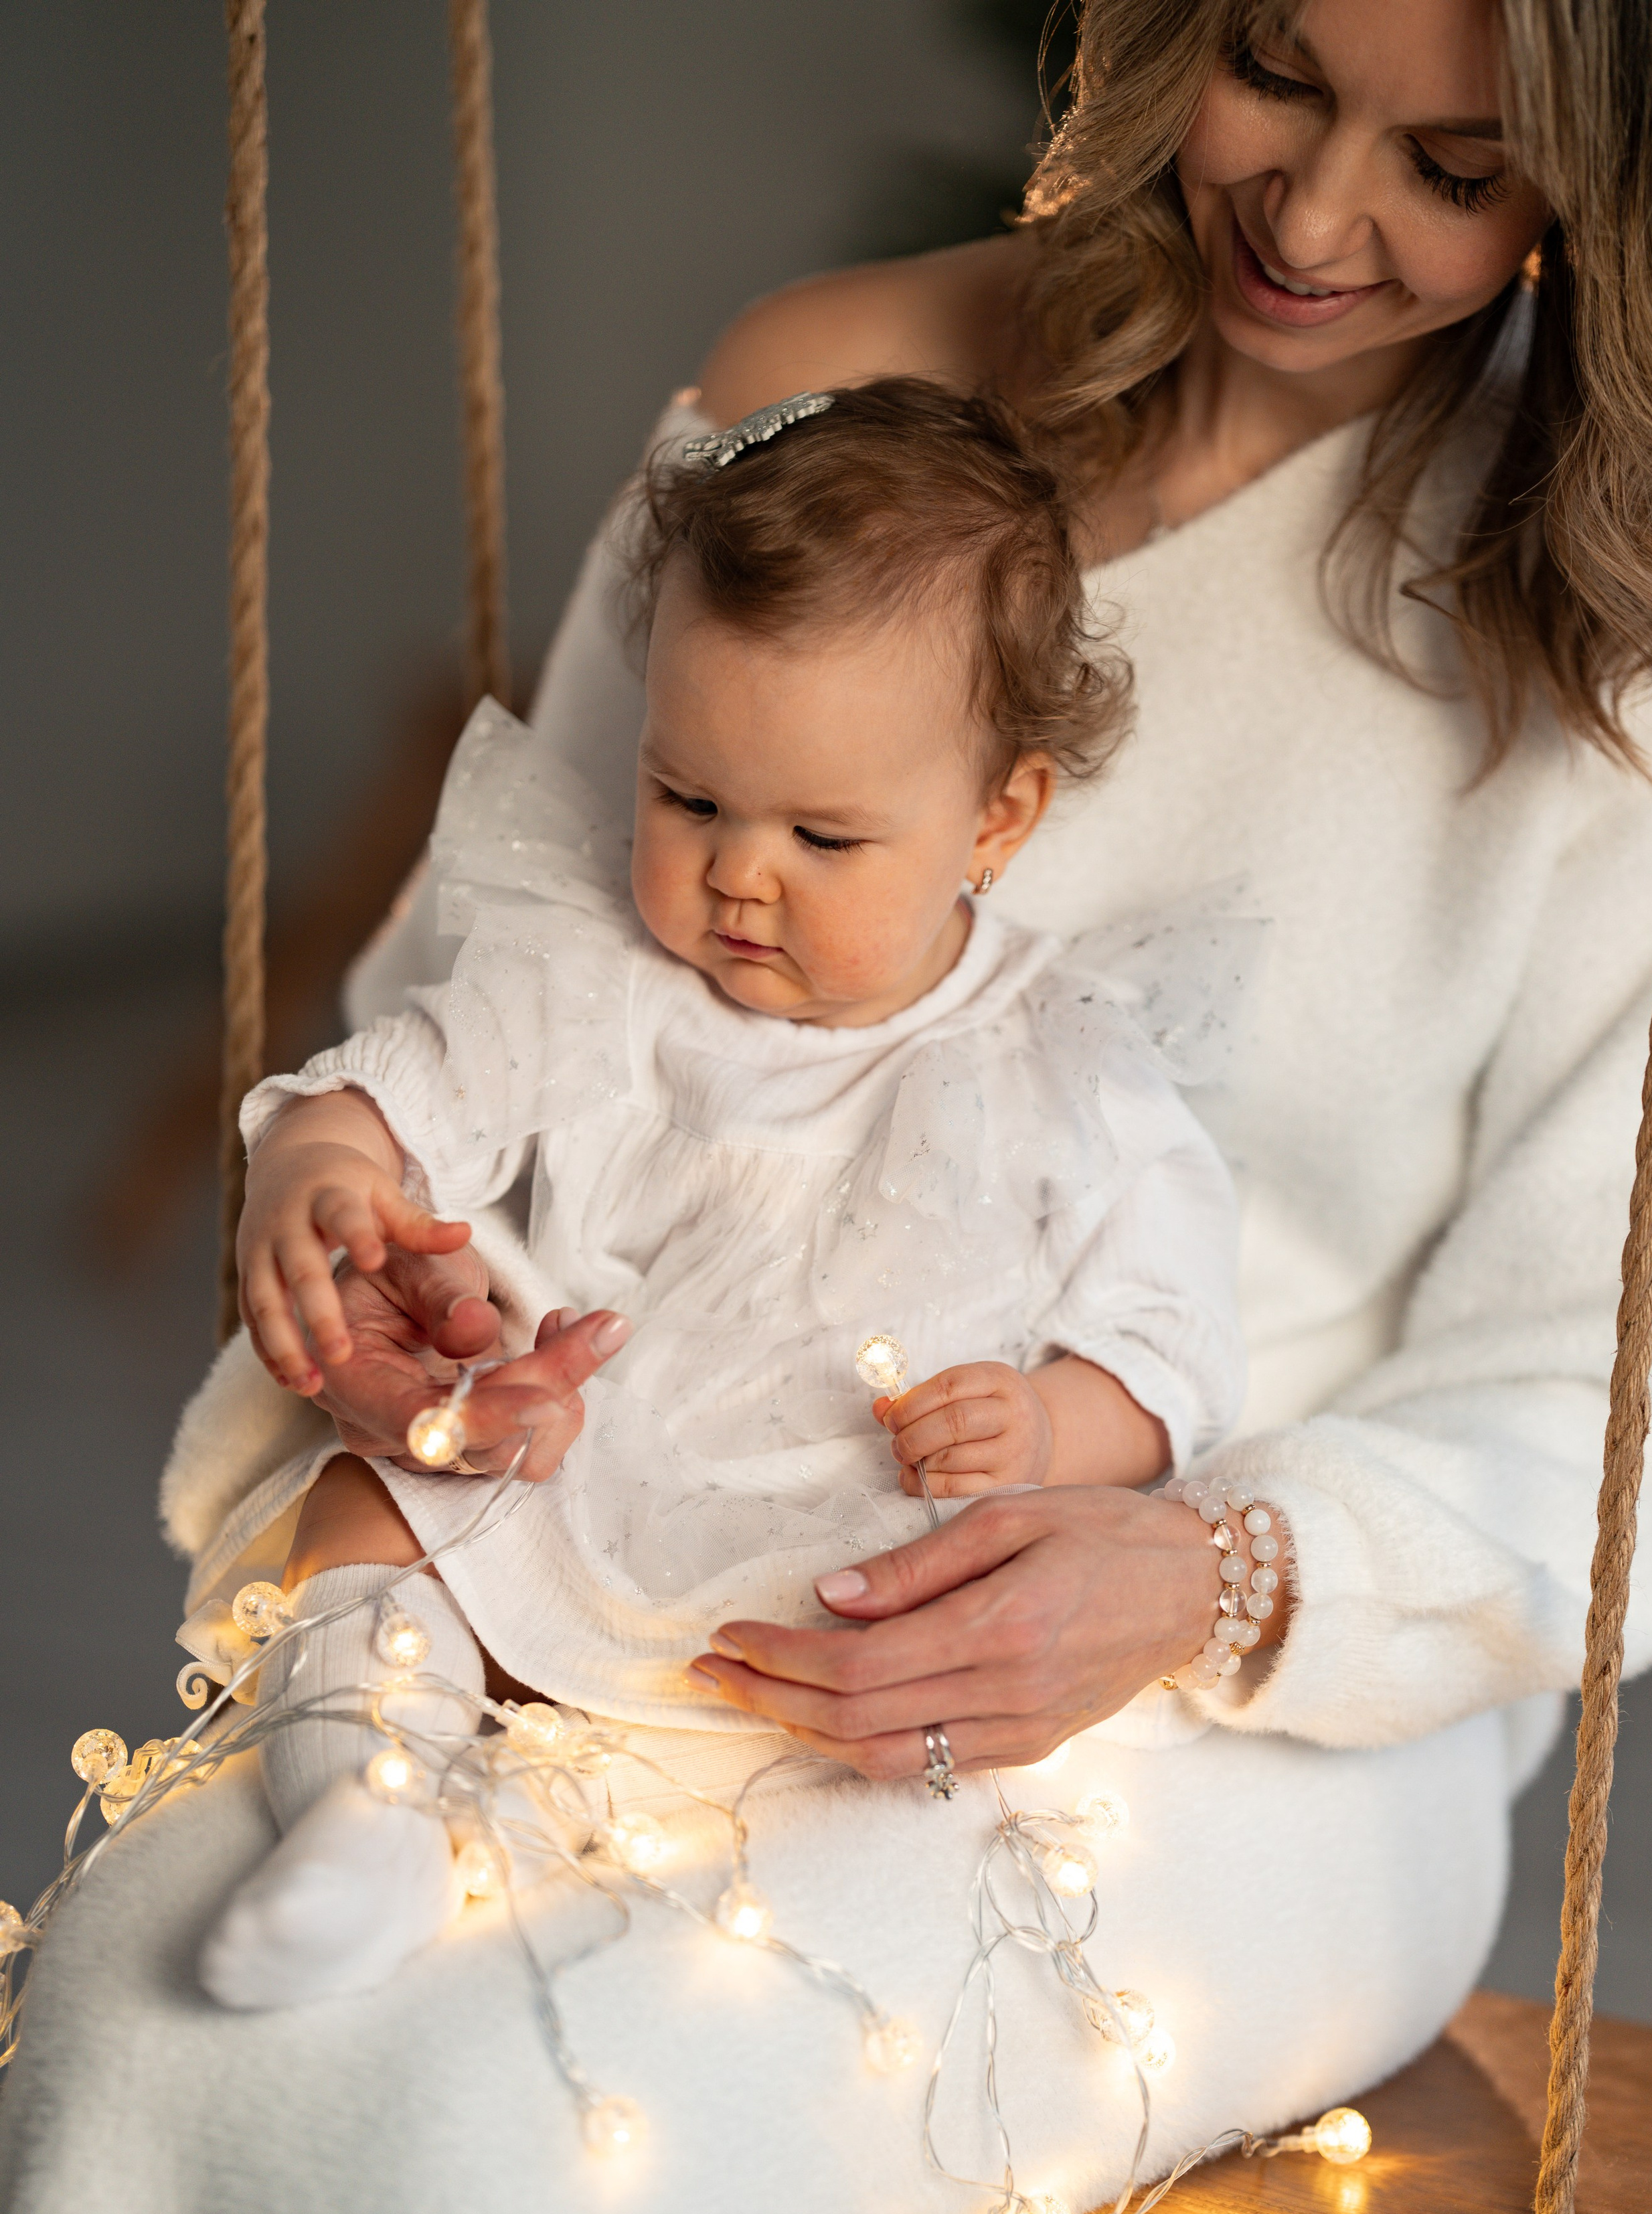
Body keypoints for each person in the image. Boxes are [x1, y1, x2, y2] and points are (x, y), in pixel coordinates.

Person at [3, 4, 1652, 2214]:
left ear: (1606, 178)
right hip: (651, 1508)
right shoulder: (832, 398)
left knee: (527, 2143)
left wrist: (1214, 1573)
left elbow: (1628, 1409)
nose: (1322, 213)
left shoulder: (1628, 637)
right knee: (148, 2006)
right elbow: (519, 996)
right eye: (1275, 68)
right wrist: (397, 1252)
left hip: (1239, 1698)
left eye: (1457, 163)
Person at [199, 380, 1252, 2012]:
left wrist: (1053, 1429)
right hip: (570, 1436)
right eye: (686, 798)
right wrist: (322, 1168)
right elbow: (405, 1088)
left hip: (842, 1511)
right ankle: (366, 1816)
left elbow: (1168, 1339)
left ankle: (730, 1866)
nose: (736, 875)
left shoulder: (1058, 1052)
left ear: (997, 816)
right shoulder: (599, 974)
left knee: (907, 1667)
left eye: (823, 836)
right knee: (363, 1513)